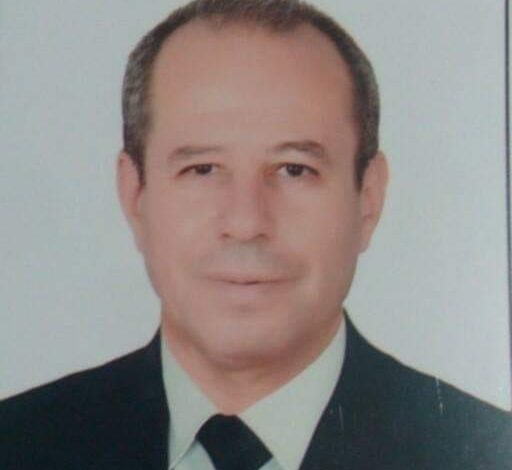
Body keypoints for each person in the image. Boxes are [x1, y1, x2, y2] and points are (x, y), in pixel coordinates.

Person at [1, 0, 510, 468]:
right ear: (135, 195)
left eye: (294, 169)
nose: (246, 223)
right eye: (202, 169)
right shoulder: (19, 445)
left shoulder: (480, 452)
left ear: (368, 199)